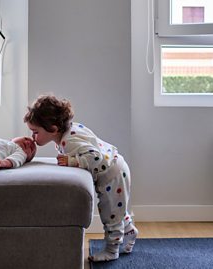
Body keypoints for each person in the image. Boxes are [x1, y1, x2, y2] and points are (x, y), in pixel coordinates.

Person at [24, 94, 138, 262]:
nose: (33, 137)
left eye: (35, 132)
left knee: (110, 215)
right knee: (116, 210)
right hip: (116, 169)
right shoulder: (69, 131)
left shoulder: (69, 141)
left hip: (113, 174)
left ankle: (112, 250)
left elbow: (97, 159)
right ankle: (129, 231)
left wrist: (73, 161)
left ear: (53, 129)